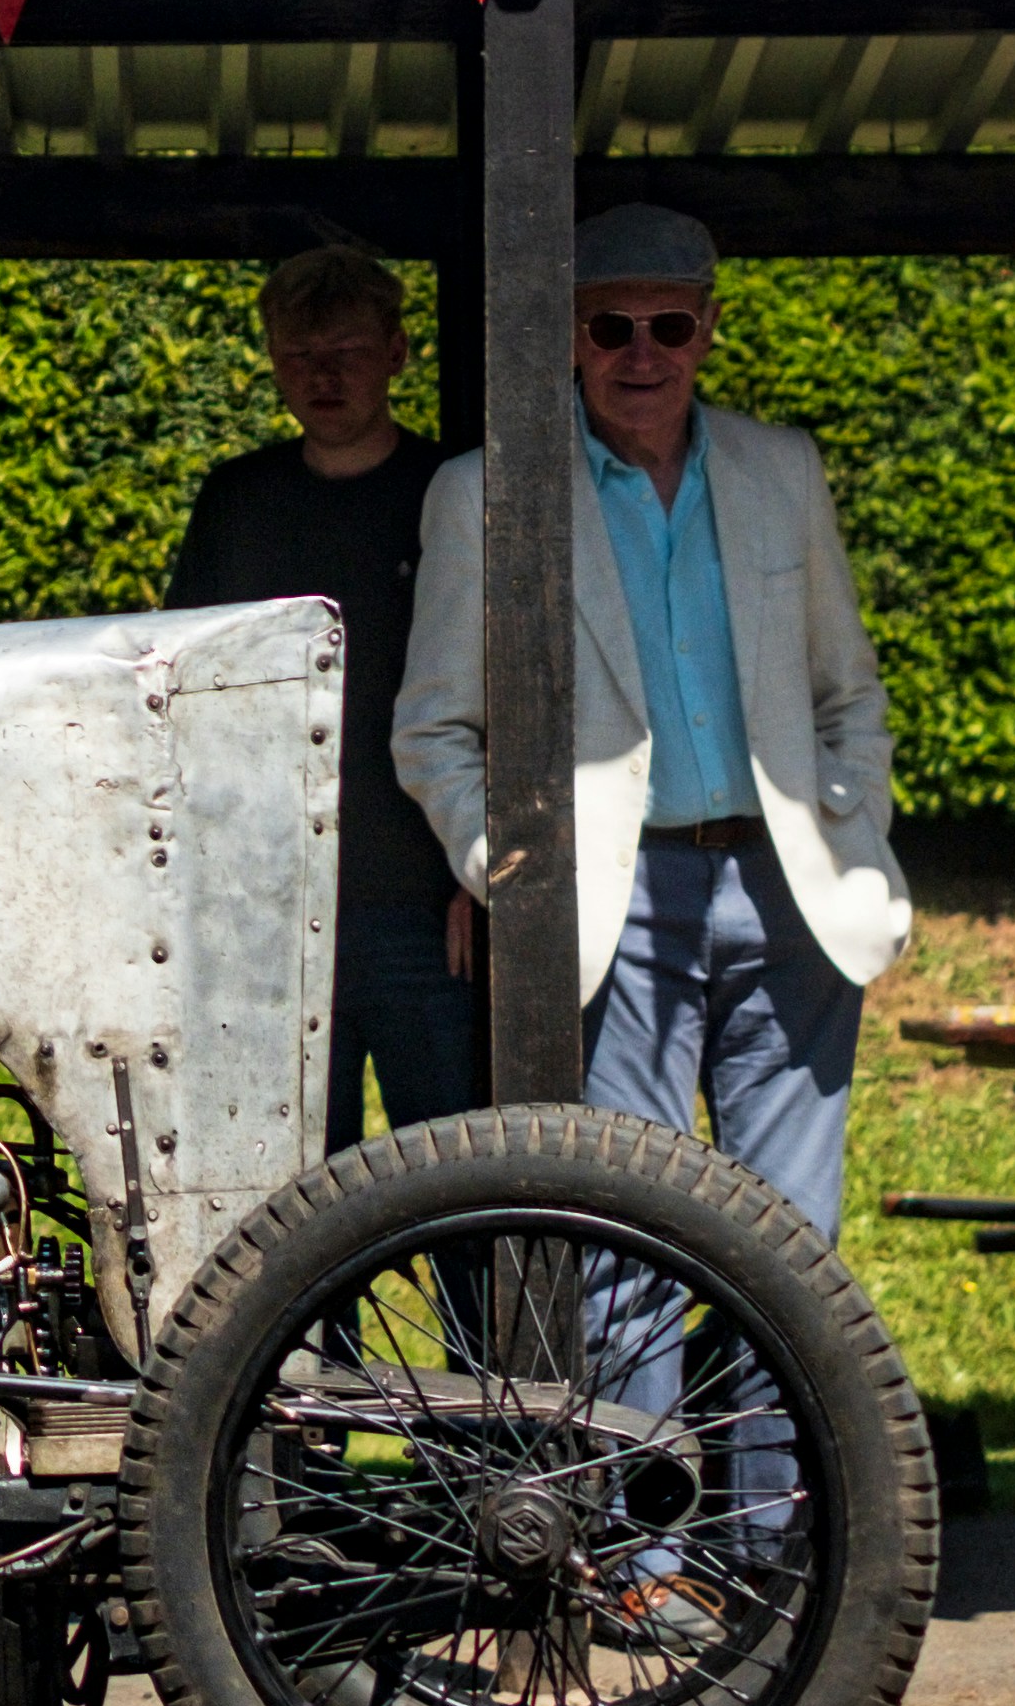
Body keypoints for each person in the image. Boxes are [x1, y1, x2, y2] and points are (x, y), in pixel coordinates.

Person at [391, 200, 904, 1238]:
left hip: (791, 891)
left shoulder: (782, 468)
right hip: (612, 900)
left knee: (796, 1245)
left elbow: (847, 688)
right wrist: (512, 870)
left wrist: (853, 815)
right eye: (608, 326)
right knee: (633, 1238)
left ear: (708, 329)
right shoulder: (485, 490)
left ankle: (776, 1417)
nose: (640, 353)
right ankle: (642, 1418)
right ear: (569, 337)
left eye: (668, 326)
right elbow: (433, 728)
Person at [166, 246, 472, 1147]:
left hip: (423, 900)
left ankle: (475, 1305)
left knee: (458, 1169)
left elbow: (506, 687)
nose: (323, 375)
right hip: (273, 907)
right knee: (295, 1187)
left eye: (344, 349)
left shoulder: (449, 491)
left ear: (397, 352)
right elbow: (186, 689)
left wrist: (480, 868)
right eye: (299, 356)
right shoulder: (237, 500)